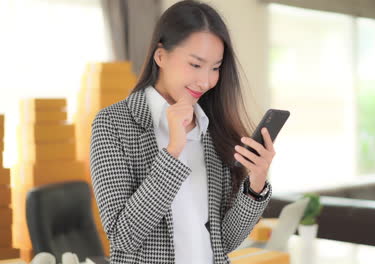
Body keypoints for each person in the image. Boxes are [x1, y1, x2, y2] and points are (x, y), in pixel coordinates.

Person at [90, 1, 276, 263]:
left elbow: (224, 242)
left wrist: (256, 184)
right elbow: (124, 238)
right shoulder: (114, 123)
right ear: (161, 56)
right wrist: (173, 151)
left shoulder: (211, 127)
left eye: (215, 68)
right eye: (196, 64)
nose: (205, 81)